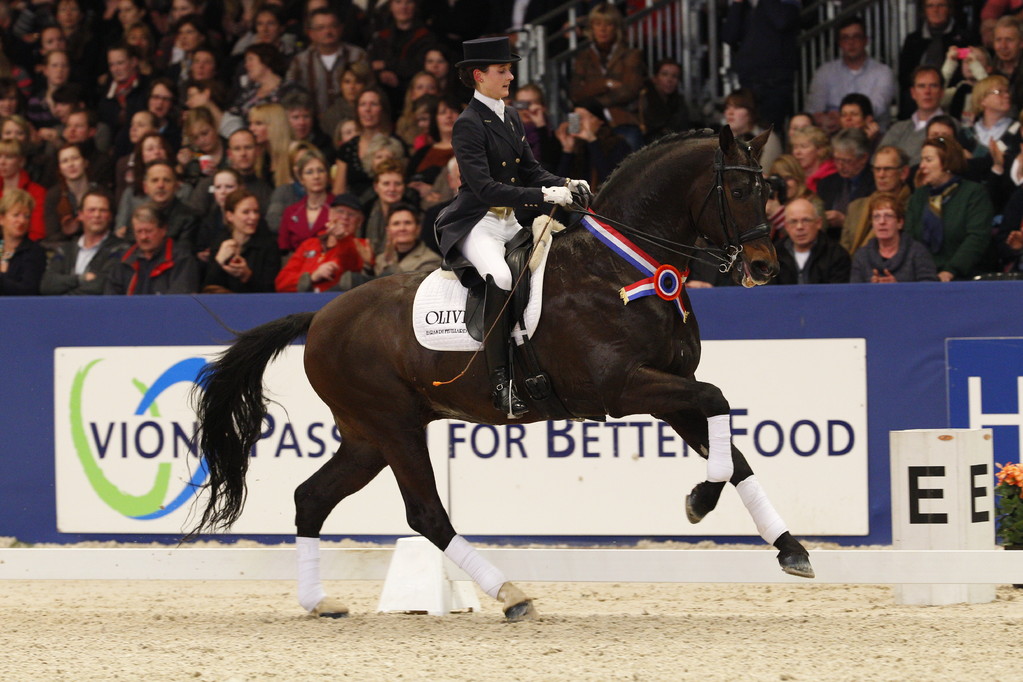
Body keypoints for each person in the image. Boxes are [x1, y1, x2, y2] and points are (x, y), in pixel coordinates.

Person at [435, 37, 581, 418]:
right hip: (477, 222)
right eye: (503, 71)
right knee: (500, 276)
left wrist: (566, 184)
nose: (511, 76)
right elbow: (484, 188)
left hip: (510, 221)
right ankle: (500, 381)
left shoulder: (511, 116)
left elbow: (531, 171)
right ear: (480, 76)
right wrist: (545, 196)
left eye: (509, 70)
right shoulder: (467, 125)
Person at [906, 136, 995, 280]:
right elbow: (909, 239)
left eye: (928, 160)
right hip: (922, 278)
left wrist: (951, 271)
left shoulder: (973, 193)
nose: (921, 166)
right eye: (922, 160)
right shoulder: (918, 197)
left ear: (947, 163)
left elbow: (977, 237)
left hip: (965, 278)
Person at [569, 2, 645, 151]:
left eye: (608, 24)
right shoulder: (583, 57)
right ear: (591, 28)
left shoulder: (631, 55)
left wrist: (592, 102)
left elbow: (630, 91)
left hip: (621, 119)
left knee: (630, 148)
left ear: (616, 28)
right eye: (598, 24)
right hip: (586, 120)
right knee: (571, 137)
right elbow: (576, 93)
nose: (602, 29)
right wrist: (606, 83)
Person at [805, 17, 898, 133]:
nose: (851, 42)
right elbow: (813, 110)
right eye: (845, 38)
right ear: (839, 43)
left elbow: (875, 109)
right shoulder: (825, 72)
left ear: (866, 40)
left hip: (871, 137)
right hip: (833, 137)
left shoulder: (883, 72)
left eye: (856, 36)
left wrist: (840, 118)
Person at [721, 0, 800, 134]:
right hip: (748, 79)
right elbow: (729, 36)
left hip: (776, 80)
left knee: (769, 130)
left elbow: (782, 21)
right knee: (747, 130)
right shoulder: (745, 4)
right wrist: (737, 4)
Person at [274, 192, 373, 292]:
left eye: (351, 214)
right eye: (340, 211)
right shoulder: (309, 244)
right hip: (302, 301)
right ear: (330, 214)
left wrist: (342, 239)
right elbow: (281, 283)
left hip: (338, 301)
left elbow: (352, 273)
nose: (345, 217)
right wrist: (312, 276)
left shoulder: (362, 246)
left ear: (360, 222)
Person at [897, 0, 977, 118]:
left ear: (950, 9)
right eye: (930, 6)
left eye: (941, 5)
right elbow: (904, 76)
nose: (936, 10)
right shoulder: (913, 40)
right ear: (924, 11)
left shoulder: (966, 38)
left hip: (953, 94)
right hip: (919, 96)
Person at [286, 8, 369, 120]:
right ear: (311, 33)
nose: (328, 32)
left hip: (354, 122)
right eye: (321, 28)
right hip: (313, 127)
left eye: (333, 26)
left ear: (340, 28)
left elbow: (370, 89)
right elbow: (291, 96)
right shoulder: (300, 62)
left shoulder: (358, 56)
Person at [41, 190, 128, 295]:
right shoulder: (65, 250)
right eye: (91, 210)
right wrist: (80, 279)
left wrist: (64, 298)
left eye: (103, 210)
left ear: (110, 216)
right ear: (80, 215)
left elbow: (101, 286)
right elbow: (47, 285)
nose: (97, 215)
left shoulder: (121, 249)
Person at [105, 203, 200, 294]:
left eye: (148, 231)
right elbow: (111, 300)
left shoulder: (182, 259)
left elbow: (179, 301)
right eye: (139, 231)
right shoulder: (124, 260)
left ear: (163, 230)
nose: (143, 237)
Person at [203, 188, 279, 293]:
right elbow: (208, 290)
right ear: (230, 216)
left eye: (256, 211)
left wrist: (247, 275)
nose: (253, 217)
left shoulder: (269, 245)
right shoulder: (219, 243)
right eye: (246, 212)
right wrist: (219, 262)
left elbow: (271, 291)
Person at [850, 192, 939, 282]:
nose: (882, 222)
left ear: (900, 223)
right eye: (876, 216)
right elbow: (853, 293)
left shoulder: (918, 252)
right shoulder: (861, 256)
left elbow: (930, 290)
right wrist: (871, 289)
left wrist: (898, 288)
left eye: (888, 216)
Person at [841, 145, 912, 254]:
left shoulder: (912, 207)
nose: (881, 175)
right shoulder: (855, 207)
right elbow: (844, 250)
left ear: (903, 173)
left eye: (887, 169)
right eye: (877, 169)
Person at [555, 99, 631, 192]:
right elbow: (558, 188)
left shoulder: (617, 144)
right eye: (576, 118)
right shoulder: (576, 146)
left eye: (582, 117)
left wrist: (592, 141)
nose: (580, 122)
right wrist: (567, 150)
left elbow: (611, 182)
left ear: (600, 121)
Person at [773, 197, 852, 284]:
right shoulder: (774, 256)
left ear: (818, 223)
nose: (799, 227)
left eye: (806, 220)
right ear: (786, 226)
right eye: (793, 221)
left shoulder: (837, 254)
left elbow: (839, 294)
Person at [879, 66, 946, 165]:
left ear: (942, 92)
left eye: (933, 86)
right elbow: (878, 160)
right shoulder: (897, 128)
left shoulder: (949, 128)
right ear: (913, 93)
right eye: (921, 86)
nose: (927, 92)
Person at [816, 128, 876, 240]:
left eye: (846, 161)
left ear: (863, 158)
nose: (840, 166)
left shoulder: (875, 184)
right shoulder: (826, 183)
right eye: (837, 160)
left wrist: (845, 221)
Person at [43, 142, 99, 249]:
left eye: (75, 158)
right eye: (65, 161)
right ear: (60, 168)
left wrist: (78, 228)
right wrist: (66, 232)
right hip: (65, 251)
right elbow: (51, 235)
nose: (71, 164)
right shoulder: (54, 195)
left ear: (85, 162)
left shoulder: (99, 193)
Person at [278, 147, 333, 254]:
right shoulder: (291, 212)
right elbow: (283, 250)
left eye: (320, 171)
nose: (316, 176)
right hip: (297, 267)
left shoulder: (338, 207)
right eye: (309, 172)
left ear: (327, 175)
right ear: (301, 179)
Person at [722, 88, 782, 174]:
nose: (729, 112)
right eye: (727, 107)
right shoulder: (725, 139)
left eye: (737, 107)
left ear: (751, 111)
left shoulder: (767, 139)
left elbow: (765, 175)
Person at [372, 201, 441, 276]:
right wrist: (368, 267)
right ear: (388, 230)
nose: (402, 228)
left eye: (407, 223)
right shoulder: (381, 259)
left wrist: (391, 263)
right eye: (396, 224)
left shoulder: (431, 260)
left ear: (418, 228)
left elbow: (411, 286)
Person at [0, 188, 46, 295]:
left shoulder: (34, 251)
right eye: (16, 215)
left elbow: (28, 289)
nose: (22, 221)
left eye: (26, 216)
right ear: (1, 219)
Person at [0, 139, 46, 242]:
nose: (2, 162)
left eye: (9, 157)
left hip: (25, 249)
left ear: (21, 161)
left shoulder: (36, 192)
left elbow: (37, 232)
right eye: (0, 156)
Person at [638, 58, 690, 143]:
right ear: (655, 78)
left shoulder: (678, 102)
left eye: (674, 76)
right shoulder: (644, 97)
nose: (670, 80)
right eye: (664, 74)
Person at [789, 125, 836, 193]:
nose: (797, 152)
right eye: (795, 147)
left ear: (820, 150)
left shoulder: (831, 178)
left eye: (804, 147)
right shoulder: (792, 176)